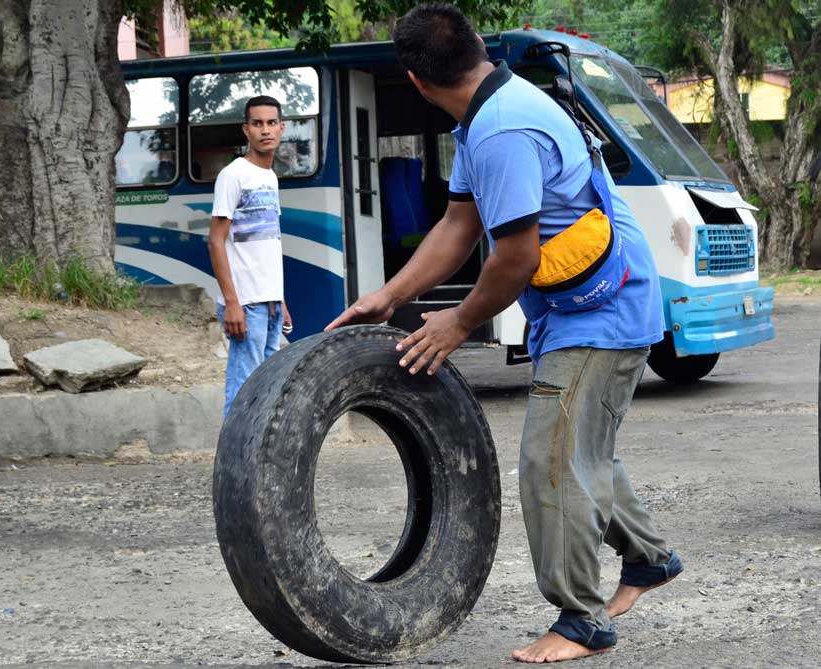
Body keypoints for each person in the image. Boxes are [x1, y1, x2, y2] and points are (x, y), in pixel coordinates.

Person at [326, 3, 682, 664]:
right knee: (580, 448)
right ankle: (649, 558)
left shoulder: (501, 130)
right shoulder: (486, 115)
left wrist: (458, 322)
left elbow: (513, 257)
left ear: (414, 79)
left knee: (552, 461)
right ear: (478, 47)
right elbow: (459, 227)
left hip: (603, 314)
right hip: (580, 305)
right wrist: (391, 295)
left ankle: (581, 619)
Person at [209, 95, 292, 417]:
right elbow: (216, 242)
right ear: (246, 130)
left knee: (266, 392)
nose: (265, 130)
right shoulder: (233, 175)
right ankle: (233, 465)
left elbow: (267, 243)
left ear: (282, 128)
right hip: (245, 304)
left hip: (269, 304)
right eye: (257, 123)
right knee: (243, 393)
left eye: (271, 123)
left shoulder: (269, 177)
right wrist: (231, 302)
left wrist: (279, 299)